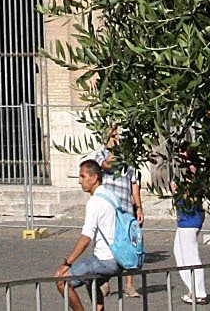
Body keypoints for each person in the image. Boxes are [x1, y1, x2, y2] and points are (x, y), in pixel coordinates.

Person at [56, 157, 121, 311]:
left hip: (106, 261)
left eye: (82, 176)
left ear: (94, 178)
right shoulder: (112, 195)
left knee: (61, 281)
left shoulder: (95, 202)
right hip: (120, 258)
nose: (79, 181)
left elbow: (86, 238)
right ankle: (99, 308)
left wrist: (67, 263)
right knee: (89, 278)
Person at [98, 128, 144, 297]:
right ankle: (105, 282)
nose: (117, 139)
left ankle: (130, 285)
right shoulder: (101, 155)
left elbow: (134, 183)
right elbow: (106, 165)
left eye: (118, 136)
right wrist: (114, 152)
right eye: (113, 136)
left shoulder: (129, 159)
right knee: (108, 245)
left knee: (130, 245)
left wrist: (138, 207)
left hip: (126, 208)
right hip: (109, 209)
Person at [172, 147, 208, 304]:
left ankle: (199, 292)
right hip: (185, 219)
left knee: (191, 256)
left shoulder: (194, 172)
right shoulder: (187, 172)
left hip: (190, 219)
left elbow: (190, 195)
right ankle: (192, 288)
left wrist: (176, 191)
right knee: (179, 254)